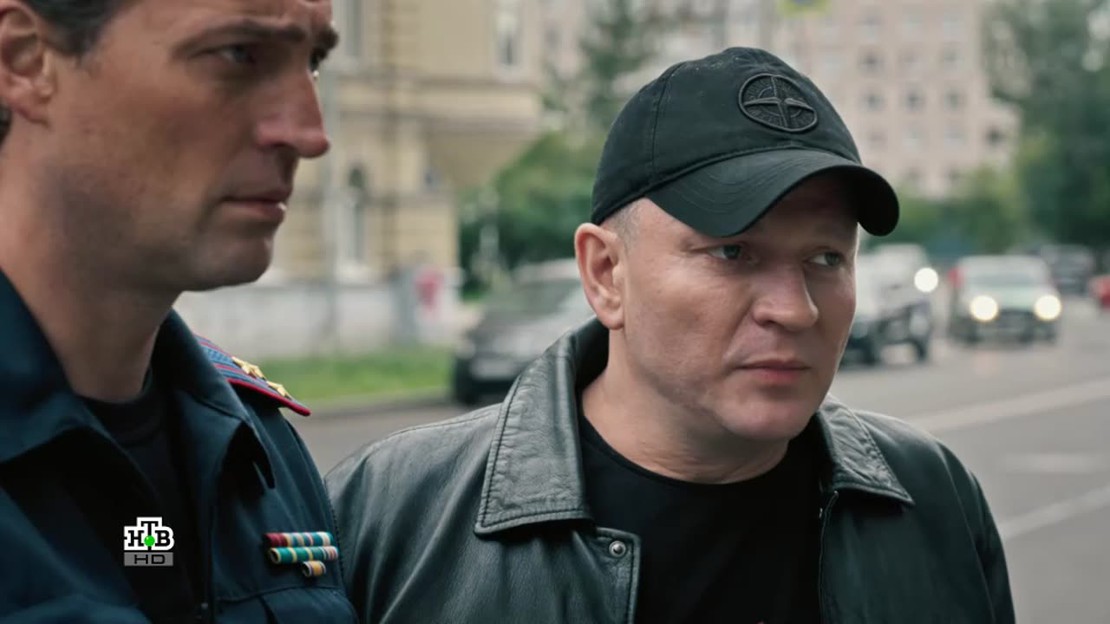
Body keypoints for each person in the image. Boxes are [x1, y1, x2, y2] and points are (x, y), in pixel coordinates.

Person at [327, 47, 1015, 623]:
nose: (795, 309)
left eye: (827, 258)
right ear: (606, 274)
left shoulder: (933, 498)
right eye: (733, 252)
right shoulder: (394, 512)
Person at [0, 0, 356, 621]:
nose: (309, 134)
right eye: (240, 55)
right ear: (26, 60)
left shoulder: (257, 446)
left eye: (314, 62)